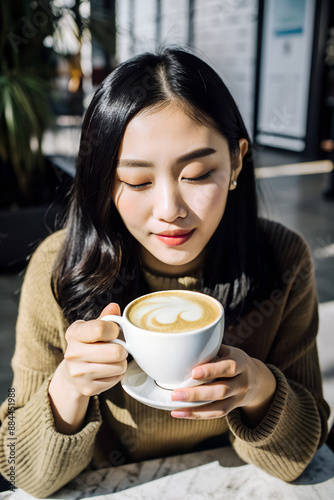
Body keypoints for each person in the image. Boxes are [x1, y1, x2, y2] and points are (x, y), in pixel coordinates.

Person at [0, 48, 329, 497]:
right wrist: (69, 386)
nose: (170, 211)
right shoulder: (60, 268)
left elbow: (304, 458)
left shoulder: (282, 258)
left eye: (196, 173)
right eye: (136, 182)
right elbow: (25, 471)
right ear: (103, 179)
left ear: (236, 162)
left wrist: (257, 387)